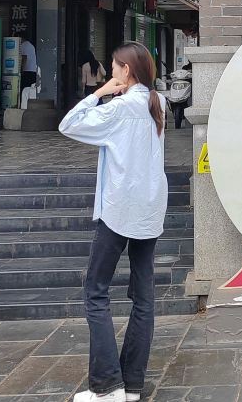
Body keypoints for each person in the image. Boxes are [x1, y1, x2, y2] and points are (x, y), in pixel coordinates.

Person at [59, 42, 168, 402]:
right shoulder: (158, 102)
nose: (110, 72)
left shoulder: (120, 108)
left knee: (95, 290)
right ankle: (132, 384)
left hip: (120, 208)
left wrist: (98, 93)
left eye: (113, 67)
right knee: (143, 297)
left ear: (126, 71)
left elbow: (68, 125)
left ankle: (107, 386)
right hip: (150, 208)